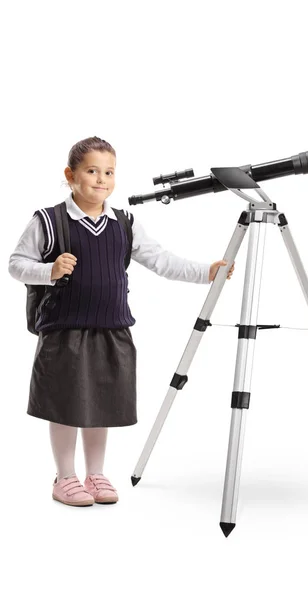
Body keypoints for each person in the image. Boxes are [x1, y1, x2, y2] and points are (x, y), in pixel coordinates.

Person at [8, 136, 235, 507]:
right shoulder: (49, 221)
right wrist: (49, 270)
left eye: (109, 172)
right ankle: (65, 477)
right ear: (71, 175)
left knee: (101, 403)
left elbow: (162, 261)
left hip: (112, 328)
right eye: (92, 171)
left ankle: (95, 474)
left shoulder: (124, 224)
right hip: (64, 331)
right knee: (66, 404)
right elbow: (16, 264)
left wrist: (206, 272)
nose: (101, 179)